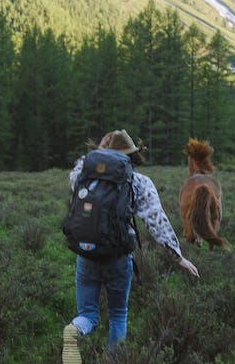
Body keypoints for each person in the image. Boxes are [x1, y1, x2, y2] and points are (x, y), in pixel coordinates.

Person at [62, 129, 199, 363]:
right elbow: (157, 221)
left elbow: (78, 169)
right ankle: (114, 359)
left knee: (88, 313)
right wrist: (178, 257)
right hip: (118, 257)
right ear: (132, 154)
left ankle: (74, 331)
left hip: (85, 253)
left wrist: (99, 152)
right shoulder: (140, 182)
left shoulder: (82, 174)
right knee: (117, 314)